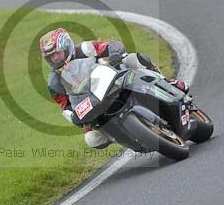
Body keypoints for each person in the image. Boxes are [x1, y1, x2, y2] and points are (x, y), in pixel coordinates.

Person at [39, 28, 187, 149]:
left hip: (113, 79)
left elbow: (111, 45)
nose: (55, 59)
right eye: (50, 57)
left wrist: (115, 54)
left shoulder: (85, 49)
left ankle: (167, 83)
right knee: (91, 139)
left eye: (57, 53)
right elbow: (65, 106)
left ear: (67, 46)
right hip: (93, 104)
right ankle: (125, 137)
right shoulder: (54, 82)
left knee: (133, 59)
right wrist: (73, 116)